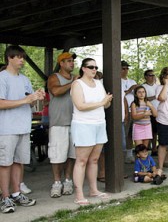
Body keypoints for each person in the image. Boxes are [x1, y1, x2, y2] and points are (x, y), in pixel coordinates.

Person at [0, 45, 44, 213]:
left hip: (23, 127)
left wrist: (36, 97)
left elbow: (31, 102)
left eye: (23, 57)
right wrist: (25, 100)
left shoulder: (25, 79)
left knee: (20, 162)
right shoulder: (2, 78)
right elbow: (1, 103)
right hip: (6, 129)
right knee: (5, 164)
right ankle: (5, 198)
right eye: (18, 57)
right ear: (9, 58)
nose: (22, 60)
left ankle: (17, 193)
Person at [71, 58, 113, 205]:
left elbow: (105, 106)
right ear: (83, 68)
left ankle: (93, 190)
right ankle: (79, 194)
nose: (94, 69)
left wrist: (107, 101)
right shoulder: (77, 84)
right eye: (91, 67)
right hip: (83, 125)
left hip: (99, 123)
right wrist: (102, 102)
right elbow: (80, 106)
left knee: (94, 160)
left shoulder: (98, 84)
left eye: (95, 67)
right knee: (81, 160)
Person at [47, 52, 78, 198]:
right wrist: (73, 83)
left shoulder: (76, 78)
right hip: (58, 122)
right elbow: (56, 91)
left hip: (76, 122)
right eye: (69, 61)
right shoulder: (54, 77)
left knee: (72, 155)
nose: (72, 63)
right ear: (61, 63)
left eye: (73, 61)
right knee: (57, 155)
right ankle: (56, 182)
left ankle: (68, 181)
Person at [121, 60, 138, 163]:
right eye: (123, 68)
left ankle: (130, 154)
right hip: (124, 111)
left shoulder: (132, 81)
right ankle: (123, 155)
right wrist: (129, 89)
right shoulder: (117, 80)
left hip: (134, 110)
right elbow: (119, 94)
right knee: (125, 133)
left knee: (132, 133)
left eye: (127, 68)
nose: (126, 70)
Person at [142, 70, 159, 156]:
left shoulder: (157, 86)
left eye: (153, 75)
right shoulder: (143, 87)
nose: (152, 77)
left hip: (158, 111)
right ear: (145, 76)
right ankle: (148, 147)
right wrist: (153, 97)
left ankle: (154, 148)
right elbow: (142, 98)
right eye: (150, 75)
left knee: (156, 131)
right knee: (150, 130)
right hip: (148, 111)